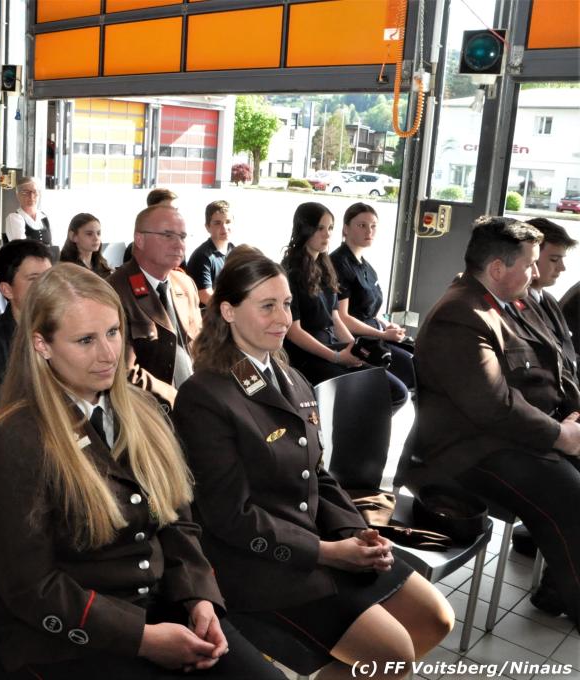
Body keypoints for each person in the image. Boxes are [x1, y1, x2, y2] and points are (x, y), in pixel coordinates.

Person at [0, 263, 283, 680]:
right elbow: (32, 588)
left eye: (113, 332)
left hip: (162, 609)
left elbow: (178, 522)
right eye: (85, 340)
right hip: (74, 640)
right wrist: (143, 639)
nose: (108, 354)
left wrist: (199, 598)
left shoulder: (143, 411)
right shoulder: (17, 439)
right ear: (41, 345)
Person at [173, 249, 453, 679]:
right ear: (228, 311)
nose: (283, 318)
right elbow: (230, 516)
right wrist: (328, 552)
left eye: (286, 304)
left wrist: (355, 531)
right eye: (267, 306)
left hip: (321, 538)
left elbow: (317, 473)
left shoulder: (289, 377)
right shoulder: (206, 395)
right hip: (260, 564)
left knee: (435, 618)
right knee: (392, 654)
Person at [410, 216, 580, 624]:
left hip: (511, 435)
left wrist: (569, 419)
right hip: (469, 451)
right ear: (498, 268)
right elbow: (493, 405)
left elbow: (553, 368)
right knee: (571, 496)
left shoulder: (510, 301)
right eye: (530, 264)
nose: (536, 273)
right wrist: (561, 435)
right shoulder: (461, 314)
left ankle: (559, 588)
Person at [281, 202, 408, 411]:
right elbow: (294, 331)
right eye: (320, 228)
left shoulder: (325, 266)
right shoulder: (290, 272)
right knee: (374, 396)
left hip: (333, 345)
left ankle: (360, 429)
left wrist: (355, 348)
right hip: (307, 355)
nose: (327, 234)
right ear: (305, 229)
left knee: (396, 391)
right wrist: (337, 357)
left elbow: (336, 317)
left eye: (330, 228)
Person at [108, 205, 201, 409]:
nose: (179, 244)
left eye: (182, 236)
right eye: (168, 235)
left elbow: (202, 348)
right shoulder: (114, 291)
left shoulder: (185, 285)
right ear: (139, 239)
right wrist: (173, 396)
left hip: (197, 404)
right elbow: (120, 369)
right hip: (148, 411)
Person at [330, 203, 415, 392]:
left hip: (375, 333)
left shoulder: (366, 267)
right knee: (409, 369)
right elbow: (343, 317)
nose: (369, 231)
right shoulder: (339, 264)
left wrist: (388, 325)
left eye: (373, 226)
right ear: (346, 229)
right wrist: (382, 335)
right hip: (359, 339)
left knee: (415, 358)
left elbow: (371, 311)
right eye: (362, 225)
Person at [0, 239, 52, 430]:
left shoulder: (63, 330)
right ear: (7, 290)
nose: (46, 287)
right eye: (34, 279)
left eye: (49, 278)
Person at [523, 217, 578, 376]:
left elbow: (568, 358)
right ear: (531, 257)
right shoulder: (512, 304)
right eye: (554, 259)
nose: (562, 267)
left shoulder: (548, 300)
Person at [187, 200, 235, 306]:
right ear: (207, 227)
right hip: (209, 313)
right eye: (217, 223)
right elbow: (205, 295)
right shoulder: (202, 257)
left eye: (228, 222)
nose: (224, 228)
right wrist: (234, 310)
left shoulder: (235, 251)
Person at [123, 188, 177, 265]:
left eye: (175, 210)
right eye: (166, 210)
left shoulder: (177, 247)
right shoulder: (136, 250)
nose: (173, 215)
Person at [4, 176, 51, 245]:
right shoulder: (14, 218)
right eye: (25, 192)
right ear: (18, 195)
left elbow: (52, 245)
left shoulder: (44, 216)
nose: (31, 196)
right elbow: (20, 248)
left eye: (34, 191)